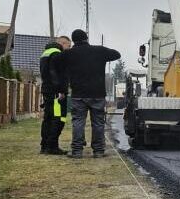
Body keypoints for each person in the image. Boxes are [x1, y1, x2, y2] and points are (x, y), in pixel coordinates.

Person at [52, 29, 120, 158]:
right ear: (86, 38)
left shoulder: (69, 53)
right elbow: (117, 54)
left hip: (78, 94)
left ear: (74, 41)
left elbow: (55, 61)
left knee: (78, 122)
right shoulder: (99, 50)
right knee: (98, 123)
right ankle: (99, 151)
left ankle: (77, 151)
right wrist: (103, 53)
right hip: (98, 94)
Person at [39, 35, 71, 154]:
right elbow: (56, 74)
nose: (69, 48)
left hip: (47, 90)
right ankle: (52, 147)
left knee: (48, 118)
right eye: (69, 45)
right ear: (62, 43)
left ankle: (45, 145)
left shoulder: (46, 52)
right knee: (57, 119)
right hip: (56, 92)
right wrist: (61, 90)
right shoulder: (57, 54)